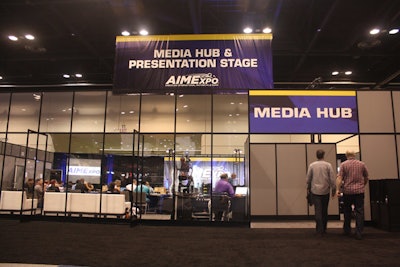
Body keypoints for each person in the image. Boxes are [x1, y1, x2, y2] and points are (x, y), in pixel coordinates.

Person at [336, 151, 369, 240]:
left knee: (347, 210)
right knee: (359, 211)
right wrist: (362, 185)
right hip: (359, 191)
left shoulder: (343, 164)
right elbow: (366, 177)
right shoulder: (362, 164)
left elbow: (339, 178)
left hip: (347, 191)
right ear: (354, 155)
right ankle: (359, 232)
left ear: (346, 156)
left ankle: (347, 230)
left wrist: (338, 190)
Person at [306, 149, 336, 236]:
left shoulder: (312, 165)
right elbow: (332, 178)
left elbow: (308, 179)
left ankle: (319, 229)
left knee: (318, 210)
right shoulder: (328, 165)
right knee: (324, 210)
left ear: (316, 155)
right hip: (325, 191)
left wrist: (308, 188)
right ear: (323, 155)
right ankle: (324, 228)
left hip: (315, 191)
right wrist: (333, 189)